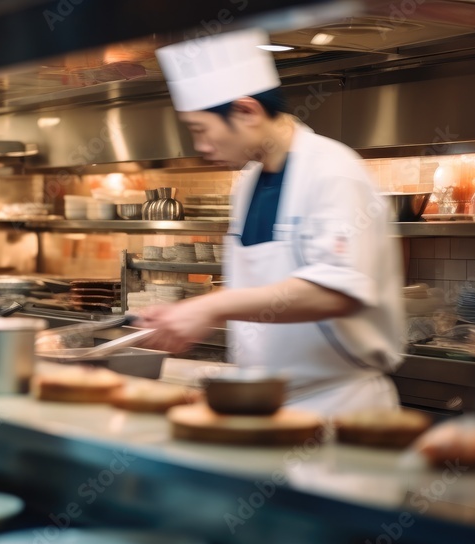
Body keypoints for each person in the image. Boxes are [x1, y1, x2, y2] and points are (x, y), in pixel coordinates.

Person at [138, 28, 405, 414]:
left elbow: (336, 292)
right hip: (266, 404)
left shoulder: (333, 170)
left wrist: (214, 308)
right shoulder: (248, 182)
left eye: (201, 129)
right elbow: (266, 287)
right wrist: (193, 312)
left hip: (338, 406)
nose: (200, 146)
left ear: (246, 111)